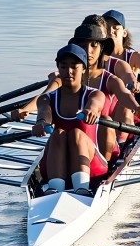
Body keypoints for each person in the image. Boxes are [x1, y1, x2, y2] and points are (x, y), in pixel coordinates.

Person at [32, 44, 108, 196]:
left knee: (75, 134)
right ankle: (55, 190)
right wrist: (41, 123)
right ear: (58, 69)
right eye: (64, 67)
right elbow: (44, 113)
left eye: (75, 66)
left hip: (92, 169)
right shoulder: (46, 98)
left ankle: (82, 189)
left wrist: (90, 111)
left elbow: (95, 104)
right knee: (58, 133)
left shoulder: (95, 94)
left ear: (84, 69)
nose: (69, 72)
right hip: (55, 168)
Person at [69, 22, 140, 160]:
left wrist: (137, 106)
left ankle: (116, 152)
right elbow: (45, 97)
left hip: (104, 140)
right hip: (77, 140)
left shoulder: (113, 75)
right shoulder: (67, 75)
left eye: (94, 45)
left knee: (107, 119)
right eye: (83, 45)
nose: (88, 51)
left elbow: (125, 90)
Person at [102, 9, 140, 83]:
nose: (111, 31)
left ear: (124, 33)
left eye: (115, 28)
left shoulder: (134, 56)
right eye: (107, 28)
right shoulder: (96, 55)